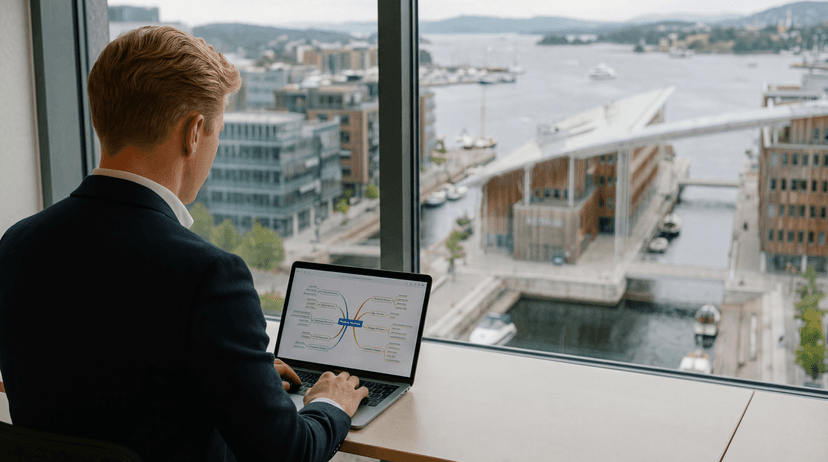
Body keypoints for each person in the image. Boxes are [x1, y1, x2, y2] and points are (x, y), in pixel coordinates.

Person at [0, 25, 367, 461]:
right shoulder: (208, 275)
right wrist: (332, 403)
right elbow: (287, 454)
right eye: (218, 132)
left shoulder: (18, 244)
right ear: (193, 132)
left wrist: (238, 377)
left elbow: (110, 377)